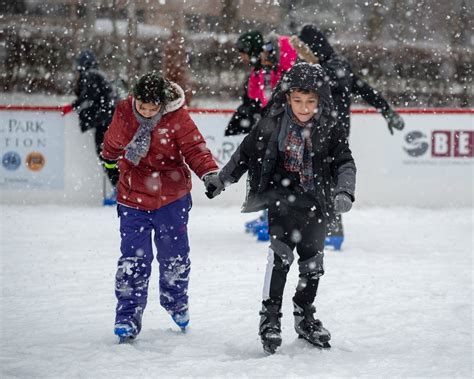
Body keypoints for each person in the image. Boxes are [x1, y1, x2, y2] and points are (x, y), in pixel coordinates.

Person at [204, 63, 356, 354]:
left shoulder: (328, 128)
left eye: (311, 101)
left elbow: (345, 162)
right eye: (298, 100)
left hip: (317, 203)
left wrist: (344, 190)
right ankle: (270, 318)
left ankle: (304, 314)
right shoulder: (271, 123)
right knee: (281, 256)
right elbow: (245, 154)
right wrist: (222, 180)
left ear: (320, 101)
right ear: (287, 99)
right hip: (282, 199)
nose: (304, 107)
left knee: (313, 262)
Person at [101, 72, 219, 342]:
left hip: (171, 196)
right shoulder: (125, 110)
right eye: (142, 106)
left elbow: (195, 148)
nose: (147, 112)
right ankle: (128, 316)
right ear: (135, 99)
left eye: (153, 108)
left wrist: (209, 173)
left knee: (173, 257)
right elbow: (113, 141)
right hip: (133, 196)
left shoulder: (177, 117)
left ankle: (176, 301)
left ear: (163, 103)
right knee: (133, 260)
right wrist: (110, 161)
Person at [288, 24, 404, 249]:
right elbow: (364, 88)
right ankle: (319, 228)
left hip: (333, 135)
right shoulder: (316, 66)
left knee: (326, 180)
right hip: (312, 131)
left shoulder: (336, 66)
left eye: (304, 48)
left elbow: (345, 83)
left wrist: (386, 110)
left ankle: (332, 231)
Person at [72, 49, 119, 194]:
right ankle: (120, 188)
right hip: (109, 121)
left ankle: (120, 188)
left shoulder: (90, 75)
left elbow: (88, 95)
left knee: (106, 156)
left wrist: (72, 106)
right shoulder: (99, 75)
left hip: (104, 122)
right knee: (109, 156)